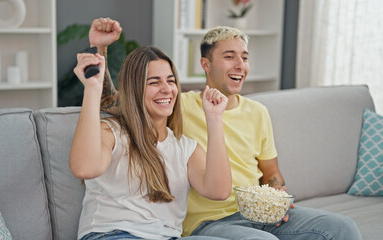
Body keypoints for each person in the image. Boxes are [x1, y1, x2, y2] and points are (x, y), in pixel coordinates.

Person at [90, 17, 362, 240]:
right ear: (205, 65)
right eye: (229, 56)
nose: (239, 65)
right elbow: (117, 102)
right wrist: (100, 51)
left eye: (244, 57)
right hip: (208, 222)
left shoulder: (258, 112)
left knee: (343, 228)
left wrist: (278, 197)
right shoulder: (176, 103)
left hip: (257, 214)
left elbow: (271, 172)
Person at [70, 43, 233, 240]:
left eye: (171, 81)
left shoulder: (185, 147)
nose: (166, 89)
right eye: (154, 82)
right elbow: (84, 169)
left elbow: (219, 190)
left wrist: (215, 118)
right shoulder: (111, 133)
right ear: (135, 90)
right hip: (113, 233)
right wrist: (93, 89)